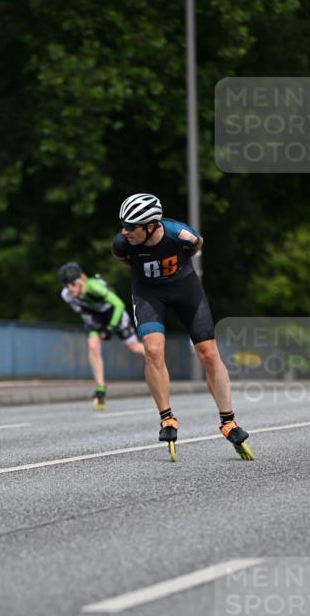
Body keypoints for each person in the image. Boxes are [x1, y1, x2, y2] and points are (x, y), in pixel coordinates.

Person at [111, 193, 253, 459]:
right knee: (153, 350)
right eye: (123, 225)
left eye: (131, 226)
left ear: (151, 226)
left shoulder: (181, 235)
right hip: (148, 294)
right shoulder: (122, 244)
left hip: (184, 288)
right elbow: (123, 258)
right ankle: (166, 417)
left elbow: (197, 245)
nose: (124, 231)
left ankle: (228, 421)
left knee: (209, 353)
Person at [58, 261, 144, 409]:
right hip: (96, 318)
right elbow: (83, 312)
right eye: (66, 285)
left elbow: (119, 304)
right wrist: (96, 329)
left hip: (114, 314)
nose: (69, 289)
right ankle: (100, 388)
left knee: (134, 347)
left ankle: (156, 358)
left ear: (80, 280)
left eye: (72, 284)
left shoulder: (92, 286)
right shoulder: (67, 295)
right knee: (93, 345)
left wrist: (111, 327)